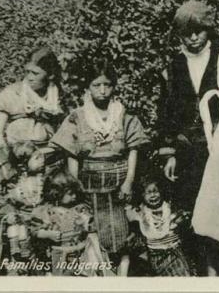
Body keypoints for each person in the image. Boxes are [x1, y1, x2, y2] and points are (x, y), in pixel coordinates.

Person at [158, 0, 219, 276]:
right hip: (191, 157)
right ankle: (210, 275)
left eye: (199, 31)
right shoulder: (173, 69)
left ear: (209, 30)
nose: (193, 38)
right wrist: (170, 154)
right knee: (201, 217)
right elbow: (165, 116)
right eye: (186, 32)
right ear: (178, 35)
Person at [50, 57, 149, 276]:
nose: (103, 90)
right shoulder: (77, 117)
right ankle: (99, 277)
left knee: (122, 234)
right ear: (88, 87)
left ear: (114, 86)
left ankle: (121, 277)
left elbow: (133, 149)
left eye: (107, 85)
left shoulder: (123, 115)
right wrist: (76, 188)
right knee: (91, 232)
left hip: (119, 186)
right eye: (97, 85)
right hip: (89, 187)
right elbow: (72, 155)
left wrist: (129, 181)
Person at [0, 47, 64, 187]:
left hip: (44, 148)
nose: (30, 77)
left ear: (50, 75)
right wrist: (0, 146)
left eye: (35, 73)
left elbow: (60, 127)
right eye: (27, 72)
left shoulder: (55, 95)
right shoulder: (14, 92)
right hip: (16, 149)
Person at [32, 170, 111, 276]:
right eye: (70, 193)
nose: (74, 196)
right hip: (58, 253)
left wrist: (85, 223)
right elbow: (35, 231)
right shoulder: (47, 211)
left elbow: (89, 227)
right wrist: (48, 234)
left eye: (75, 192)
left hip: (78, 251)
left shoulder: (78, 209)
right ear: (57, 193)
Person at [126, 175, 194, 276]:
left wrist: (180, 221)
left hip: (174, 252)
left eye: (156, 191)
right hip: (154, 256)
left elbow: (185, 225)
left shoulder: (171, 209)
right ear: (141, 195)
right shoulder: (139, 212)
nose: (153, 194)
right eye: (148, 192)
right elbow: (127, 210)